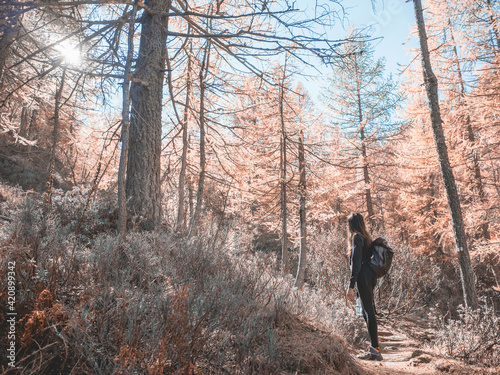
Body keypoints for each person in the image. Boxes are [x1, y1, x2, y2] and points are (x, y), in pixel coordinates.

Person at [345, 213, 382, 361]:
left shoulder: (356, 238)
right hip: (371, 276)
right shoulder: (366, 238)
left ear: (352, 225)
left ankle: (375, 351)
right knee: (367, 311)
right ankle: (375, 349)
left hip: (363, 277)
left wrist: (351, 286)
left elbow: (356, 263)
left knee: (368, 311)